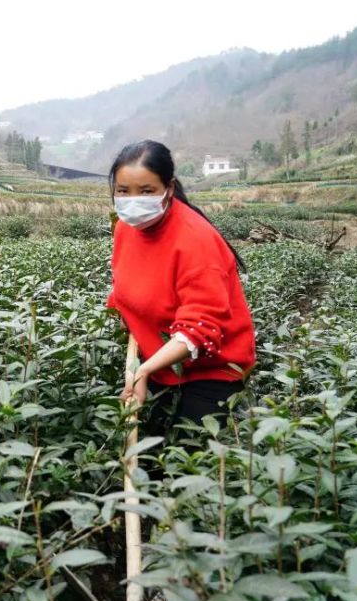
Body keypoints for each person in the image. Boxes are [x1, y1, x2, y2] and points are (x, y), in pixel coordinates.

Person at [106, 140, 256, 442]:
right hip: (160, 359)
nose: (133, 200)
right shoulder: (126, 229)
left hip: (212, 368)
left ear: (169, 188)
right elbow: (127, 292)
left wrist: (143, 371)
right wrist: (140, 369)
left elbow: (198, 329)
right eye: (123, 191)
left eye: (146, 191)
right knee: (148, 453)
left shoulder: (195, 240)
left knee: (187, 460)